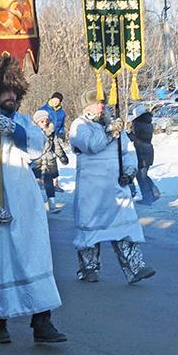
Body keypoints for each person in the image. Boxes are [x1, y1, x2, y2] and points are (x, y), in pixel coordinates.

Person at [0, 56, 66, 344]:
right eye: (4, 91)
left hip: (27, 202)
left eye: (14, 92)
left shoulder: (22, 122)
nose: (10, 97)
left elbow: (37, 148)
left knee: (36, 257)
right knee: (0, 261)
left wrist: (13, 131)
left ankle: (42, 322)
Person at [69, 94, 156, 285]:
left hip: (116, 185)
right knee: (91, 229)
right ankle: (89, 268)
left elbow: (127, 151)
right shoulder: (79, 125)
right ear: (87, 106)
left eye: (102, 102)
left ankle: (135, 268)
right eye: (96, 103)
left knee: (124, 227)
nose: (101, 106)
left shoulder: (114, 125)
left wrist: (129, 171)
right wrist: (110, 133)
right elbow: (91, 145)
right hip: (92, 188)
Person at [30, 108, 68, 214]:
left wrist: (62, 156)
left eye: (46, 120)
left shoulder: (51, 132)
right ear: (37, 122)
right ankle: (34, 205)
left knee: (49, 183)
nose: (44, 123)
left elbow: (56, 146)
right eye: (42, 121)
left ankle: (52, 205)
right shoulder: (31, 132)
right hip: (36, 161)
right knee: (34, 184)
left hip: (49, 160)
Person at [130, 105, 160, 205]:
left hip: (141, 151)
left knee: (141, 176)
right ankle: (154, 193)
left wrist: (125, 134)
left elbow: (134, 137)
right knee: (144, 175)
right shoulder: (148, 122)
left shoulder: (137, 124)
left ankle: (147, 198)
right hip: (148, 150)